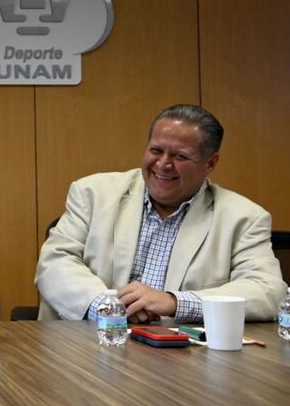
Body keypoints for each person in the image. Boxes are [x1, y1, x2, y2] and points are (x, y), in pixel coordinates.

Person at [35, 104, 286, 323]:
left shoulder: (244, 218)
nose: (163, 164)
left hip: (184, 360)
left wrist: (175, 302)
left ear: (210, 163)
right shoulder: (93, 193)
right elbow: (55, 263)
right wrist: (108, 306)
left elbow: (268, 291)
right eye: (156, 150)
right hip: (85, 345)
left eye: (179, 156)